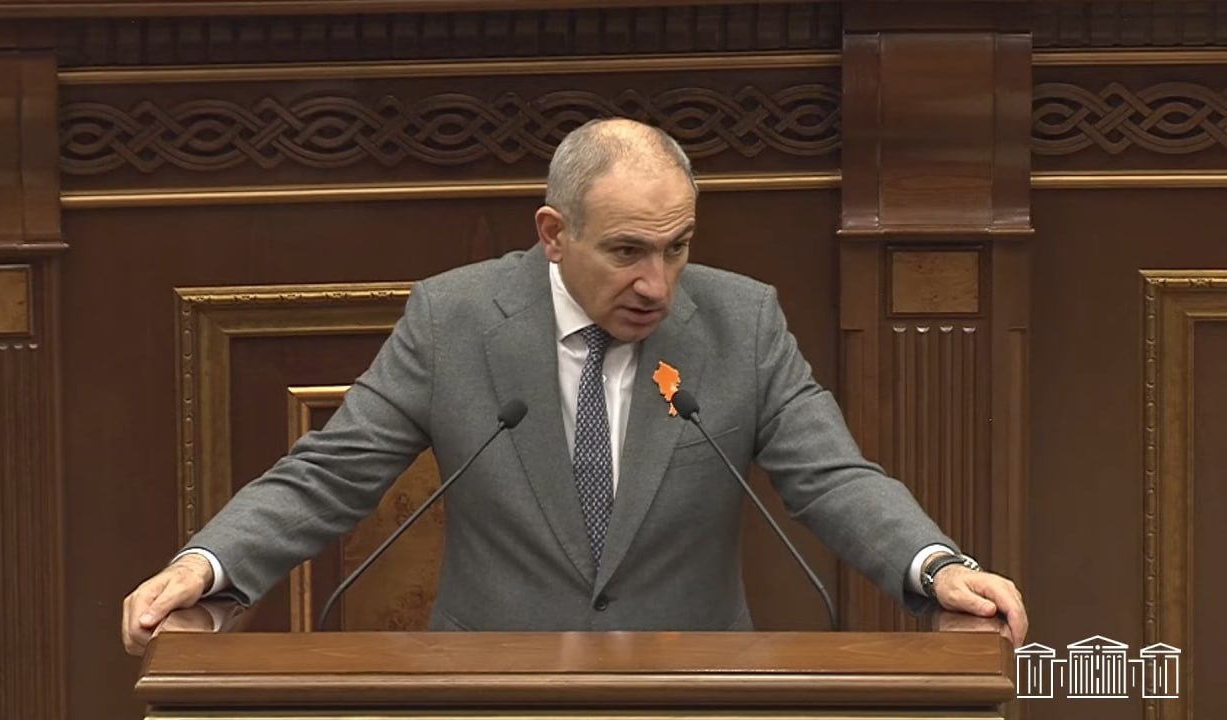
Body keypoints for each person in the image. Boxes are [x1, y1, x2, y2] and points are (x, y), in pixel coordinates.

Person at [122, 118, 1027, 655]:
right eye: (627, 251)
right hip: (490, 692)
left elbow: (831, 475)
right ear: (555, 234)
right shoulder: (455, 320)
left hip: (694, 690)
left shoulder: (741, 322)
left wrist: (936, 565)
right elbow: (333, 471)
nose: (657, 285)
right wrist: (205, 565)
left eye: (677, 247)